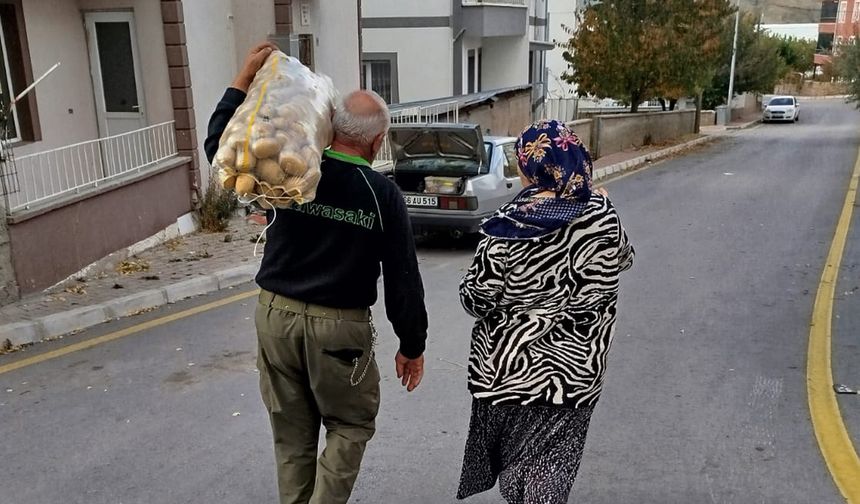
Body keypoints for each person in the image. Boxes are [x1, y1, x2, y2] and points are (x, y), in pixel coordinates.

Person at [204, 42, 428, 504]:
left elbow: (219, 145)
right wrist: (411, 345)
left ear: (329, 125)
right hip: (338, 331)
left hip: (275, 318)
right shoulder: (381, 194)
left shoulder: (292, 167)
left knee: (292, 435)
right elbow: (403, 279)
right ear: (376, 140)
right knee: (350, 425)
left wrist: (243, 78)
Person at [456, 120, 634, 504]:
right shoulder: (603, 213)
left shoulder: (507, 225)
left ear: (532, 168)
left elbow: (476, 299)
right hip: (576, 374)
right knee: (551, 467)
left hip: (508, 373)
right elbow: (624, 259)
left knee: (519, 469)